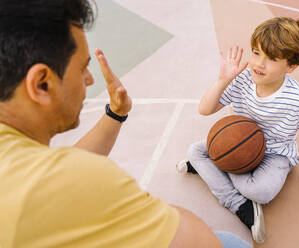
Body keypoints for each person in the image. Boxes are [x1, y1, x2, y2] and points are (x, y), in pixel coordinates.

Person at [0, 0, 252, 247]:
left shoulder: (28, 173)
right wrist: (141, 211)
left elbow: (50, 174)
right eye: (82, 69)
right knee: (230, 243)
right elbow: (203, 242)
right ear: (42, 84)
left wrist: (116, 114)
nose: (88, 80)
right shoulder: (79, 181)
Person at [177, 17, 299, 243]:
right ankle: (239, 205)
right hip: (240, 143)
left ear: (291, 66)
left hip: (276, 153)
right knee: (195, 150)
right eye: (256, 52)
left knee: (261, 192)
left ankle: (216, 167)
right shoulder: (243, 79)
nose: (259, 64)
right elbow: (205, 109)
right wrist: (223, 80)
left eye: (271, 58)